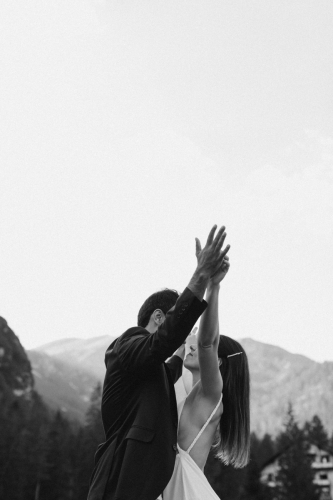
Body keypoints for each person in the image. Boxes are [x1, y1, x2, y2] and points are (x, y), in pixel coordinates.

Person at [87, 225, 230, 500]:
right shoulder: (127, 344)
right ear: (159, 318)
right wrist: (201, 277)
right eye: (178, 322)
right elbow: (160, 344)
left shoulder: (152, 369)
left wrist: (181, 352)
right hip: (119, 483)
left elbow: (169, 366)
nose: (185, 336)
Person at [163, 255, 250, 500]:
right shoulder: (185, 391)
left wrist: (213, 287)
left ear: (217, 363)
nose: (191, 347)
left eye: (196, 345)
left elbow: (206, 344)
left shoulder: (210, 396)